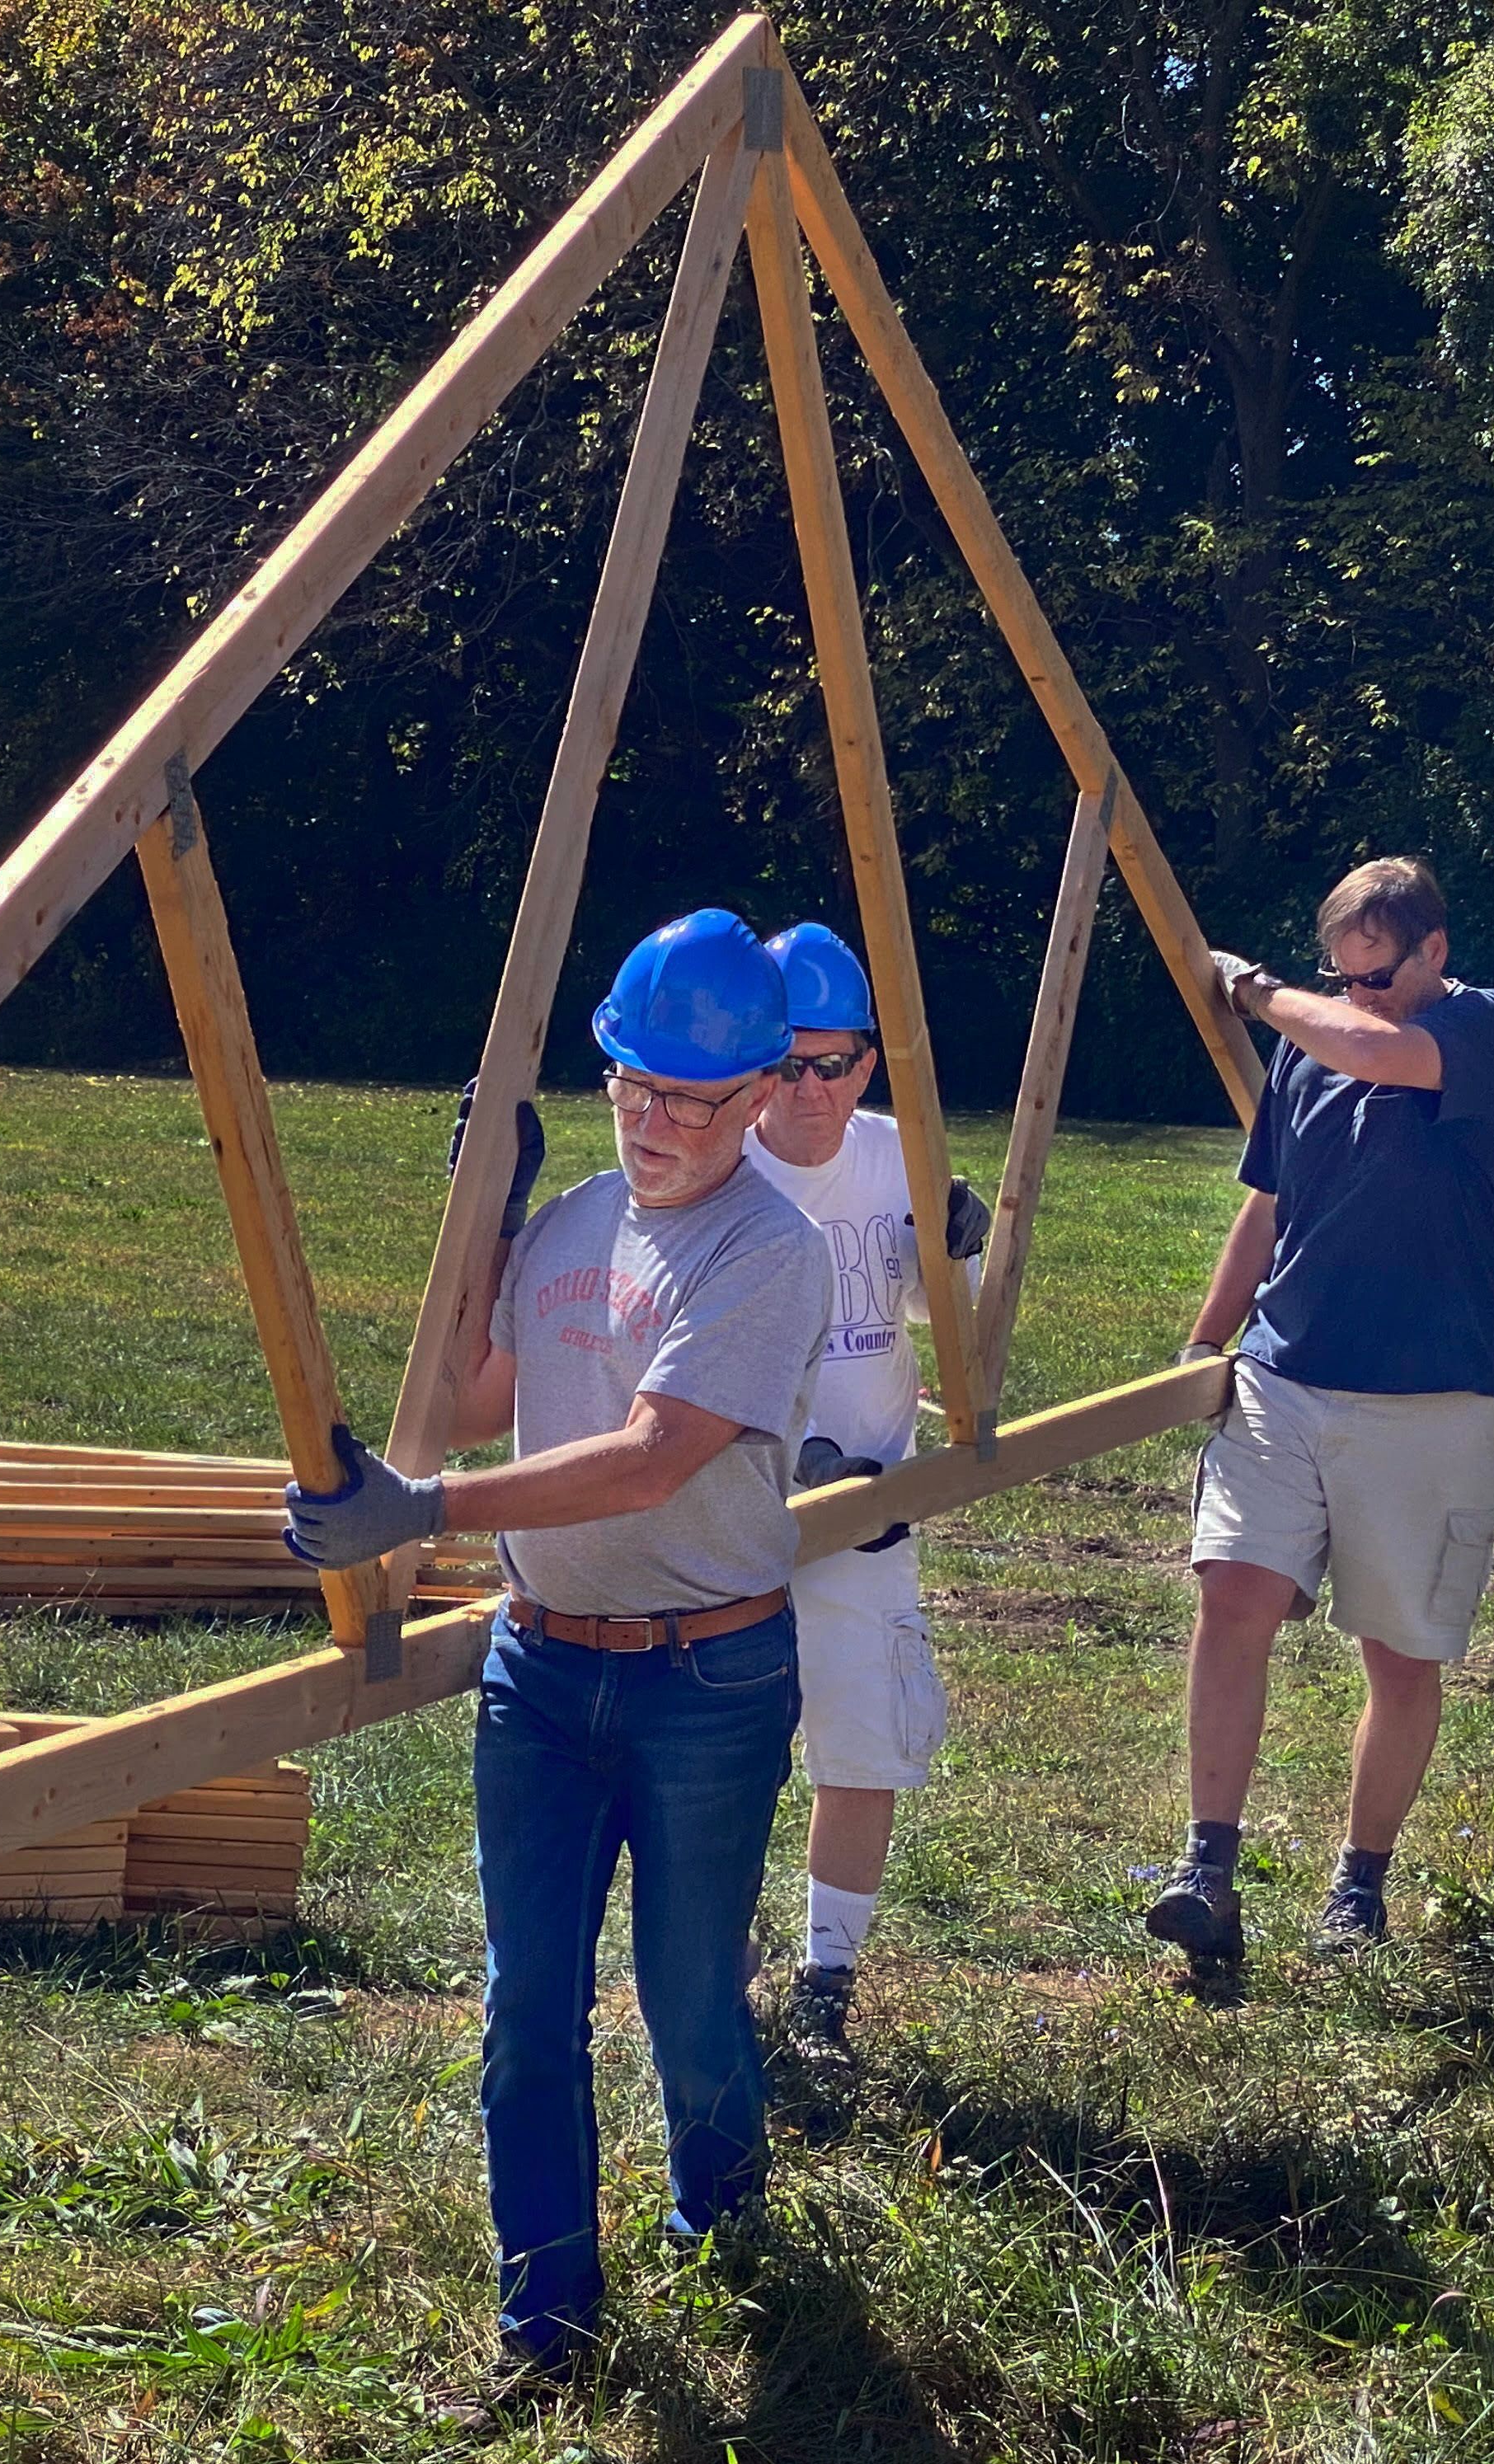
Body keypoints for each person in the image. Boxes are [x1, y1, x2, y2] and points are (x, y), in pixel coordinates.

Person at [280, 908, 832, 2387]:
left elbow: (651, 1458)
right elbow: (469, 1391)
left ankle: (722, 2216)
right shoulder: (585, 1220)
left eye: (692, 1101)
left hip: (707, 1679)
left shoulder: (767, 1256)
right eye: (630, 1088)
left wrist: (426, 1510)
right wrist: (485, 1217)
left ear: (765, 1094)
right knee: (528, 2004)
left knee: (689, 1996)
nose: (653, 1124)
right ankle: (548, 2322)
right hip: (541, 1671)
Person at [1144, 857, 1494, 1965]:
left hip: (1434, 1399)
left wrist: (1256, 988)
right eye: (1344, 979)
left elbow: (1368, 1049)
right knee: (1234, 1600)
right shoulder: (1307, 1057)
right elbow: (1265, 1209)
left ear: (1435, 952)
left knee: (1400, 1656)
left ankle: (1359, 1884)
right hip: (1285, 1378)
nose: (1360, 999)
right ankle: (1205, 1866)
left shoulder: (1485, 1029)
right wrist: (1208, 1340)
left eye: (1381, 976)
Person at [740, 923, 989, 2053]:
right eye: (782, 1065)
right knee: (723, 1749)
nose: (806, 1093)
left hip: (871, 1515)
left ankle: (826, 1986)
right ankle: (716, 1948)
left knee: (862, 1744)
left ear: (866, 1067)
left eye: (829, 1066)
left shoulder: (898, 1156)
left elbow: (958, 1336)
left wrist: (963, 1252)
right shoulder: (720, 1163)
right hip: (732, 1518)